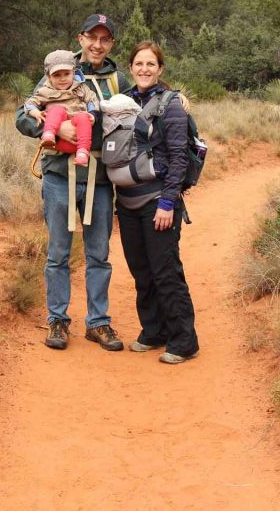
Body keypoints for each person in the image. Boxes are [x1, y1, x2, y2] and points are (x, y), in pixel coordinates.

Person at [15, 14, 132, 351]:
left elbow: (142, 101)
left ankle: (98, 323)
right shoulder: (62, 70)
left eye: (105, 39)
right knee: (58, 253)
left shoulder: (116, 81)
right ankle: (58, 320)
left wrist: (177, 98)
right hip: (59, 175)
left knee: (99, 254)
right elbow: (23, 114)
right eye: (92, 37)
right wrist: (51, 130)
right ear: (81, 38)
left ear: (110, 43)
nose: (98, 45)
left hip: (99, 178)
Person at [116, 41, 200, 364]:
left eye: (151, 64)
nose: (144, 69)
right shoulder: (124, 101)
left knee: (165, 270)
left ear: (160, 69)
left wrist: (167, 203)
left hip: (158, 201)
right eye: (139, 64)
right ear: (131, 67)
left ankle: (183, 339)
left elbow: (179, 157)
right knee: (142, 271)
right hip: (127, 203)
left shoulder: (172, 105)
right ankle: (153, 330)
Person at [23, 50, 97, 167]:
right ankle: (48, 135)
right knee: (56, 110)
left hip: (77, 138)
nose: (62, 79)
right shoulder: (45, 90)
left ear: (73, 72)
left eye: (66, 74)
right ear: (48, 76)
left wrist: (92, 114)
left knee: (84, 117)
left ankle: (83, 153)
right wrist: (36, 112)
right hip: (57, 141)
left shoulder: (81, 88)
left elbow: (92, 100)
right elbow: (30, 103)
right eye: (57, 75)